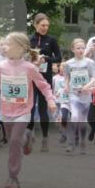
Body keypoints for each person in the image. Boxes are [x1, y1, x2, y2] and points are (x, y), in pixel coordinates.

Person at [0, 33, 57, 188]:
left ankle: (13, 177)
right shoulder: (1, 66)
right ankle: (28, 137)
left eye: (8, 44)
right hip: (6, 111)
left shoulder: (29, 68)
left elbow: (43, 85)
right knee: (14, 142)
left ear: (20, 48)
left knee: (14, 142)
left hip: (23, 111)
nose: (4, 47)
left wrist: (50, 100)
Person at [27, 13, 61, 152]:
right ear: (35, 25)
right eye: (42, 25)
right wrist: (32, 59)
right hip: (30, 78)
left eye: (47, 25)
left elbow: (58, 57)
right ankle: (29, 135)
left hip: (44, 78)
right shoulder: (29, 39)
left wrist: (46, 59)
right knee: (29, 108)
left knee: (42, 110)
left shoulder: (51, 40)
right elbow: (23, 57)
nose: (45, 28)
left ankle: (45, 138)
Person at [63, 38, 95, 155]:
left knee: (82, 122)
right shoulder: (68, 63)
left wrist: (87, 86)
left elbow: (93, 77)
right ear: (73, 49)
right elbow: (67, 77)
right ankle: (71, 144)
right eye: (78, 48)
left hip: (86, 95)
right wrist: (66, 86)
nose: (81, 50)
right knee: (74, 117)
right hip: (74, 94)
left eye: (83, 48)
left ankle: (82, 142)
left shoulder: (89, 63)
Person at [52, 61, 70, 148]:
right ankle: (63, 133)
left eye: (65, 66)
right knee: (55, 119)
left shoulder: (69, 78)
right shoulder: (55, 78)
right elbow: (52, 88)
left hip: (65, 101)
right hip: (56, 100)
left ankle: (65, 135)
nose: (62, 68)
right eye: (61, 66)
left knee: (63, 118)